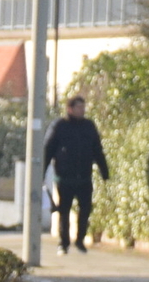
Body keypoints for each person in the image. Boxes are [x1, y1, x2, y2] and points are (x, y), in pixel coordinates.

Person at [41, 96, 109, 253]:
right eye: (79, 107)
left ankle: (80, 240)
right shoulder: (59, 126)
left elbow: (97, 149)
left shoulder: (89, 126)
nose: (82, 110)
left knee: (85, 209)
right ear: (70, 109)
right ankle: (63, 242)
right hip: (65, 177)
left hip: (84, 176)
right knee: (64, 210)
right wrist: (42, 173)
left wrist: (104, 171)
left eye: (83, 107)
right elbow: (48, 150)